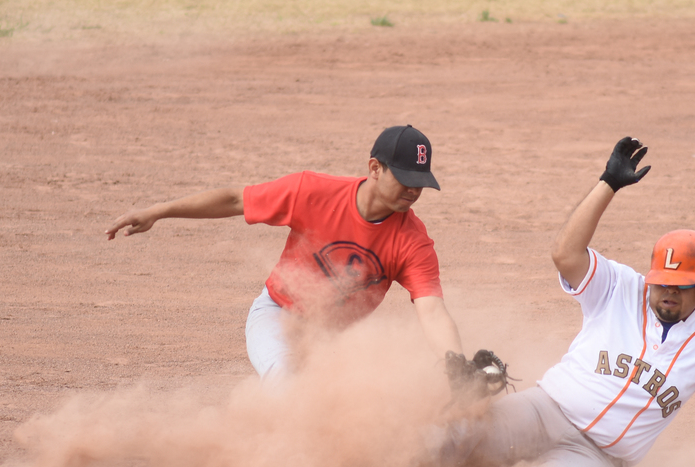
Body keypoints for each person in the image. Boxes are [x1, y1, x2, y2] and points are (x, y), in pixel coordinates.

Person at [440, 136, 695, 467]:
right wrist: (607, 184)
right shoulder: (619, 287)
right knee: (456, 434)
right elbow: (565, 254)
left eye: (681, 286)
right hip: (543, 412)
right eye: (662, 282)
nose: (668, 292)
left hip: (595, 460)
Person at [106, 125, 464, 376]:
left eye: (421, 183)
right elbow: (234, 199)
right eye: (405, 180)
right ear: (375, 168)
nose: (414, 191)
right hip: (278, 316)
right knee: (287, 384)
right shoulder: (313, 192)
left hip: (334, 341)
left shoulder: (413, 240)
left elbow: (432, 312)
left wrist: (458, 365)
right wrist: (158, 211)